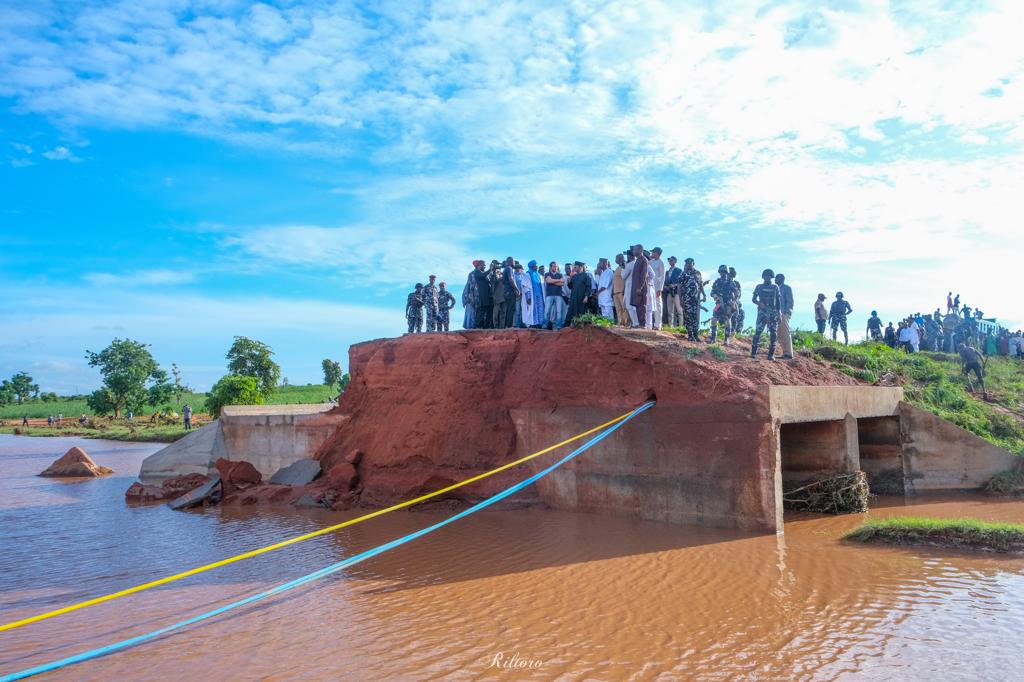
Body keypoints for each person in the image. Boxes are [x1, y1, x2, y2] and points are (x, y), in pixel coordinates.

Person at [751, 269, 781, 360]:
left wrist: (779, 313)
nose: (767, 277)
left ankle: (771, 354)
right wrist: (759, 303)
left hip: (773, 312)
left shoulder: (775, 287)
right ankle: (753, 353)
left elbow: (778, 301)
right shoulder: (759, 287)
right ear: (763, 277)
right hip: (762, 312)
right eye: (765, 276)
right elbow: (753, 299)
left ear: (771, 277)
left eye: (769, 276)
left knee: (773, 333)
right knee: (758, 331)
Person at [708, 265, 738, 345]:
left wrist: (733, 301)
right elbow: (712, 292)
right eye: (721, 272)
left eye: (724, 272)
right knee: (714, 319)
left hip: (727, 303)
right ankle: (713, 338)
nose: (723, 273)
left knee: (727, 320)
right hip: (718, 303)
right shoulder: (717, 282)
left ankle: (726, 339)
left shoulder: (731, 282)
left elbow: (736, 293)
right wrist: (714, 295)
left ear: (727, 272)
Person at [626, 244, 652, 329]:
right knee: (637, 306)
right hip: (635, 288)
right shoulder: (637, 260)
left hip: (640, 288)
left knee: (641, 306)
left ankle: (643, 325)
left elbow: (644, 275)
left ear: (640, 250)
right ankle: (640, 324)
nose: (633, 251)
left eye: (635, 250)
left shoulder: (643, 260)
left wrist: (640, 287)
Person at [681, 257, 704, 341]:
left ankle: (696, 335)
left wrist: (704, 295)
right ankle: (690, 335)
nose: (688, 264)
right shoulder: (683, 273)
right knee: (688, 316)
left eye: (690, 263)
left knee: (696, 317)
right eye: (687, 263)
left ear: (693, 264)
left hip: (696, 299)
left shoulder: (698, 273)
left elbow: (700, 284)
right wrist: (681, 299)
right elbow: (679, 286)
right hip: (687, 299)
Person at [565, 262, 594, 326]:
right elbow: (570, 287)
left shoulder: (586, 276)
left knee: (581, 314)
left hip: (581, 299)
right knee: (569, 314)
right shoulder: (574, 276)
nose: (574, 268)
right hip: (573, 299)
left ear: (580, 267)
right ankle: (563, 330)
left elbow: (588, 287)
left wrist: (586, 296)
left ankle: (580, 330)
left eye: (576, 266)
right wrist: (569, 282)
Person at [775, 273, 794, 359]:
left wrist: (786, 313)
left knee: (785, 332)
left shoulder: (787, 288)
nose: (775, 279)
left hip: (784, 313)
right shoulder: (774, 288)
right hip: (776, 313)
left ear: (782, 279)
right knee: (779, 333)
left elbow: (790, 302)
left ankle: (788, 353)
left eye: (777, 278)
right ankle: (785, 352)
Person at [544, 262, 567, 330]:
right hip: (549, 295)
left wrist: (552, 281)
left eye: (556, 266)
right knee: (547, 310)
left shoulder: (560, 274)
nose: (555, 267)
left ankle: (559, 326)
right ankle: (545, 324)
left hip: (558, 295)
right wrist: (558, 280)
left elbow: (562, 283)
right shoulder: (547, 274)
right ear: (551, 267)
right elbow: (548, 281)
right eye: (554, 266)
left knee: (559, 311)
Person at [524, 260, 546, 328]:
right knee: (532, 310)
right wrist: (528, 297)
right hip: (532, 296)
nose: (537, 266)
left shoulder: (539, 275)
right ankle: (532, 324)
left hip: (540, 296)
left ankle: (540, 324)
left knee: (541, 309)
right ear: (531, 266)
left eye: (537, 265)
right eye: (535, 265)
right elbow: (526, 287)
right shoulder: (527, 275)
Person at [472, 261, 494, 329]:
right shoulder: (476, 271)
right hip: (483, 296)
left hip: (488, 295)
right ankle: (476, 326)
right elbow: (482, 275)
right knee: (481, 311)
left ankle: (486, 326)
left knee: (489, 311)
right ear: (480, 265)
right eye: (484, 265)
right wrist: (490, 269)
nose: (485, 266)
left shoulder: (483, 272)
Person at [649, 247, 666, 330]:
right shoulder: (650, 262)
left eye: (653, 252)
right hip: (650, 286)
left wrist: (660, 289)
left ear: (657, 253)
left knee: (658, 306)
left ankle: (658, 325)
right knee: (650, 306)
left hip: (657, 287)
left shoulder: (661, 263)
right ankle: (650, 323)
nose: (652, 253)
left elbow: (662, 277)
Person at [664, 256, 683, 327]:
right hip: (669, 292)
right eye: (669, 260)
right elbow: (665, 282)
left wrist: (674, 285)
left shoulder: (679, 270)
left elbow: (681, 282)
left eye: (671, 260)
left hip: (676, 292)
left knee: (679, 310)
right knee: (670, 311)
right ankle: (670, 326)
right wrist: (665, 287)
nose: (670, 261)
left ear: (675, 261)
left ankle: (681, 327)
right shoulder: (667, 272)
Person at [462, 261, 481, 329]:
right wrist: (467, 297)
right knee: (472, 311)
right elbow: (468, 286)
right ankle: (471, 326)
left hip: (478, 295)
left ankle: (475, 325)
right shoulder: (471, 274)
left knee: (478, 311)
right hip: (473, 296)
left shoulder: (479, 273)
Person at [612, 253, 628, 325]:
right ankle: (620, 322)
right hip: (615, 291)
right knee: (618, 309)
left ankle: (626, 322)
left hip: (622, 291)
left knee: (624, 308)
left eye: (616, 258)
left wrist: (624, 289)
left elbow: (626, 279)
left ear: (621, 258)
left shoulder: (625, 265)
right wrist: (612, 290)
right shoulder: (617, 268)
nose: (615, 260)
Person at [728, 267, 742, 333]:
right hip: (724, 302)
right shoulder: (722, 282)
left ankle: (734, 331)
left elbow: (739, 294)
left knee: (738, 314)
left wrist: (734, 301)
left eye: (731, 274)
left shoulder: (736, 283)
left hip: (734, 302)